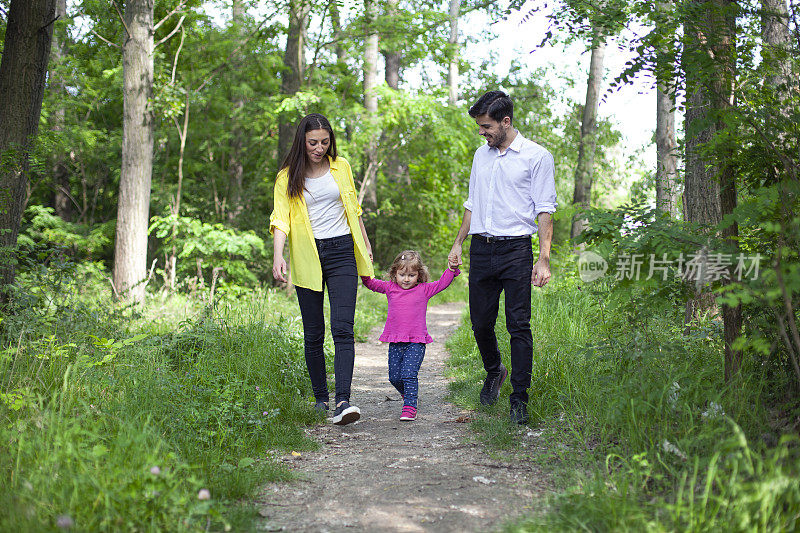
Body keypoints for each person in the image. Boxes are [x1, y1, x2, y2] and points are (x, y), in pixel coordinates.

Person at [448, 90, 557, 425]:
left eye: (487, 126)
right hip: (482, 248)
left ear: (506, 121)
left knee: (518, 325)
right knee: (480, 322)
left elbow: (545, 210)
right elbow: (472, 204)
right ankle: (495, 370)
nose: (482, 132)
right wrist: (458, 243)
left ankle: (519, 399)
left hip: (516, 251)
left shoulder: (537, 157)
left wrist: (544, 259)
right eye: (480, 126)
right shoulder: (481, 157)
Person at [270, 113, 374, 426]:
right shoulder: (287, 177)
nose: (319, 147)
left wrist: (365, 244)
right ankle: (320, 399)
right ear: (302, 141)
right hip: (307, 255)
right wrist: (278, 256)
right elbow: (280, 220)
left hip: (342, 250)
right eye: (313, 142)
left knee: (343, 327)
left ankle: (343, 400)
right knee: (314, 333)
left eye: (325, 142)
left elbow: (354, 209)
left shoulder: (341, 166)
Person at [361, 250, 460, 421]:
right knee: (394, 377)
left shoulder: (424, 290)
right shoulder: (390, 288)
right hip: (395, 341)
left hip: (416, 341)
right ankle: (408, 394)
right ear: (394, 274)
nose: (406, 279)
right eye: (402, 275)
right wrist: (364, 265)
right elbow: (370, 283)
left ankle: (410, 406)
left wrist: (451, 269)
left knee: (408, 374)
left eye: (411, 275)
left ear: (419, 275)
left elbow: (443, 283)